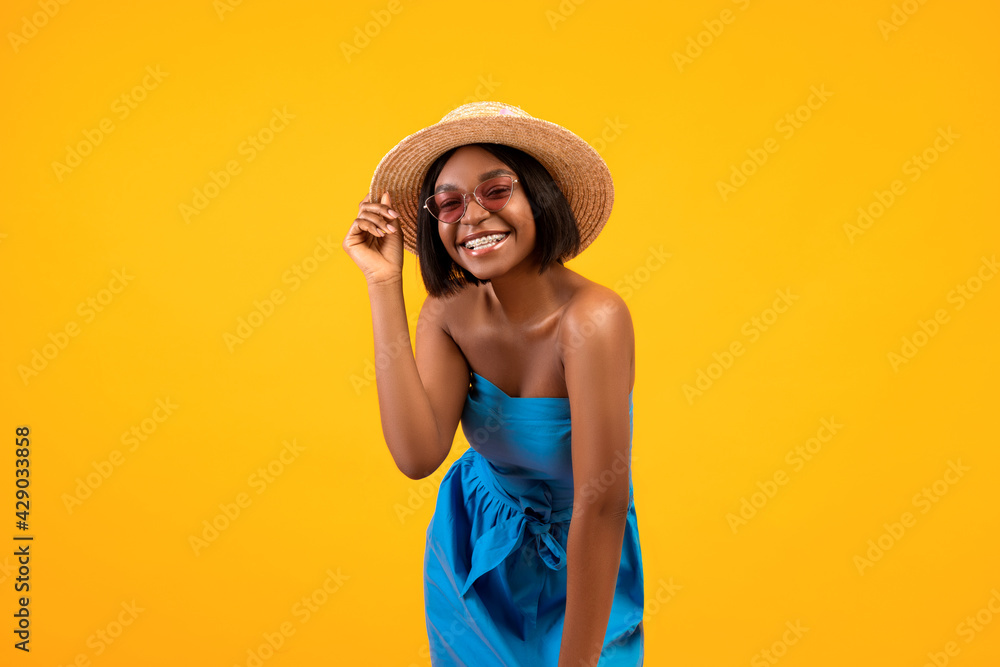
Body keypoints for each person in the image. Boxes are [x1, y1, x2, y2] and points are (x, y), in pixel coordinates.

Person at [342, 101, 643, 666]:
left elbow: (601, 507)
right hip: (477, 545)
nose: (472, 216)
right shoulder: (447, 312)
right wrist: (384, 286)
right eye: (450, 203)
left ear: (540, 197)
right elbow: (417, 454)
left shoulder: (593, 320)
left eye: (496, 191)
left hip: (585, 558)